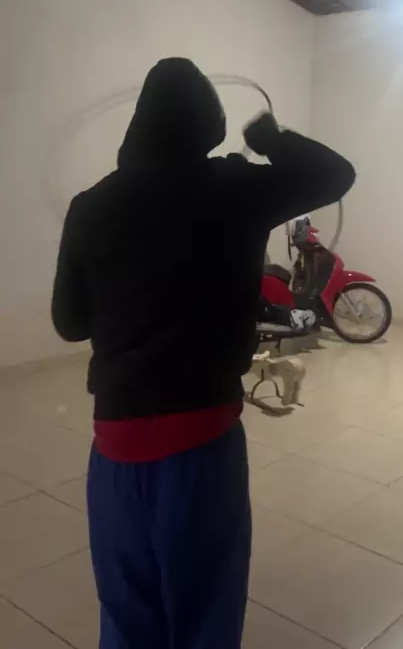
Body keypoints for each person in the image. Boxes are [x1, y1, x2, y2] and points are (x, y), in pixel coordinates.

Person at [51, 57, 355, 649]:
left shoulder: (91, 204)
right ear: (210, 123)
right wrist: (269, 137)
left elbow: (69, 323)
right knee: (205, 606)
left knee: (127, 606)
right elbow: (334, 174)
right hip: (201, 443)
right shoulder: (234, 188)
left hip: (114, 446)